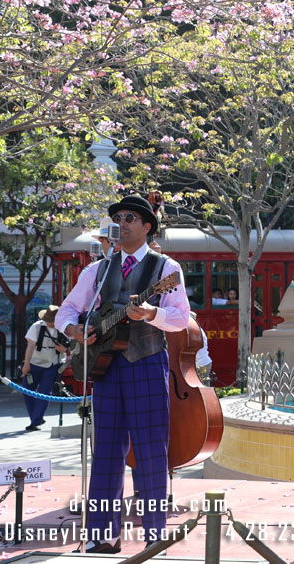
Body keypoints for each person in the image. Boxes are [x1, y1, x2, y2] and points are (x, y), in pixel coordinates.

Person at [56, 194, 190, 553]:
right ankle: (103, 536)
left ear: (147, 227)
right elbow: (66, 311)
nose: (123, 223)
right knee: (105, 455)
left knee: (150, 454)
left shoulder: (166, 269)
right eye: (118, 218)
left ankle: (154, 538)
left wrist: (150, 314)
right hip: (105, 368)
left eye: (130, 217)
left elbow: (179, 320)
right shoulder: (97, 270)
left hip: (146, 363)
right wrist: (77, 331)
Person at [20, 305, 68, 431]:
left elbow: (74, 345)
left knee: (45, 393)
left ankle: (35, 421)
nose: (50, 323)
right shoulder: (36, 327)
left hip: (53, 364)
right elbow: (30, 347)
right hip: (35, 363)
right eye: (48, 320)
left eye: (52, 321)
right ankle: (37, 418)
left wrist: (65, 349)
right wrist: (26, 364)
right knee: (27, 389)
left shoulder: (63, 328)